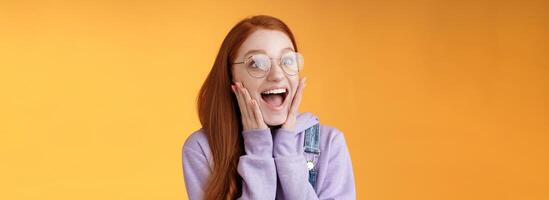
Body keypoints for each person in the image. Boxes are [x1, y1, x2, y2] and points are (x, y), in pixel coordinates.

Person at [182, 15, 356, 200]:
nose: (277, 75)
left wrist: (286, 150)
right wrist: (258, 147)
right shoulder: (202, 148)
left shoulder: (329, 143)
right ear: (230, 76)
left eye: (288, 61)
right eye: (257, 64)